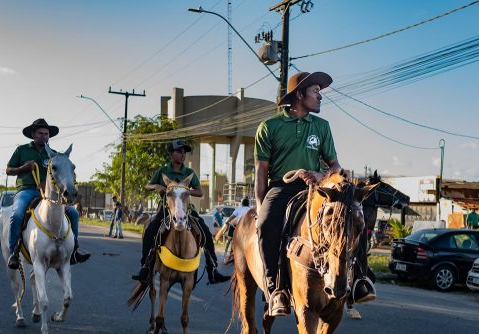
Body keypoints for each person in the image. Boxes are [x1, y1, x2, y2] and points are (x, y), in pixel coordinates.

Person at [254, 71, 375, 317]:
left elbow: (335, 167)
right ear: (299, 95)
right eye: (315, 92)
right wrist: (260, 205)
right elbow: (261, 170)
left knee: (353, 215)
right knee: (266, 225)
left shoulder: (322, 127)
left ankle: (361, 279)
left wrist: (320, 176)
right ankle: (274, 288)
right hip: (282, 187)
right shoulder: (269, 127)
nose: (320, 97)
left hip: (317, 189)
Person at [131, 139, 231, 284]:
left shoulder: (189, 172)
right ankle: (145, 267)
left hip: (187, 210)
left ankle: (213, 269)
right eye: (179, 151)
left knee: (205, 232)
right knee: (149, 230)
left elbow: (199, 192)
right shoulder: (163, 170)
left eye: (184, 152)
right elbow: (148, 185)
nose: (182, 154)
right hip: (165, 210)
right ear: (171, 154)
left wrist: (185, 191)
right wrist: (157, 186)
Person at [5, 118, 90, 269]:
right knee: (17, 214)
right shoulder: (22, 150)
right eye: (41, 133)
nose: (44, 136)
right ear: (33, 134)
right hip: (26, 190)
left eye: (47, 134)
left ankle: (75, 250)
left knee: (73, 213)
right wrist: (23, 167)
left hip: (50, 193)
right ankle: (13, 252)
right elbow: (8, 170)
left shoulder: (55, 155)